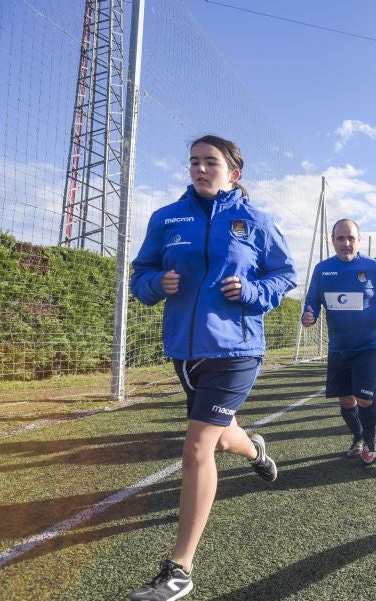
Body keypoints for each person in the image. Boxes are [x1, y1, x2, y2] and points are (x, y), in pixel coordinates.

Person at [128, 135, 298, 601]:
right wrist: (155, 283)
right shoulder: (166, 218)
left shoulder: (256, 220)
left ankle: (179, 569)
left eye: (212, 162)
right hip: (184, 352)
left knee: (197, 450)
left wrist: (251, 292)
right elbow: (138, 275)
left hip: (236, 351)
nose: (201, 169)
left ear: (233, 173)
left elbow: (284, 275)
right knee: (223, 437)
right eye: (195, 162)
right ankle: (257, 450)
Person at [301, 219, 376, 465]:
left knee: (365, 399)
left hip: (370, 344)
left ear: (359, 240)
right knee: (346, 399)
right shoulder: (322, 269)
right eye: (340, 238)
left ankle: (370, 440)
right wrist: (310, 313)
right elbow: (313, 300)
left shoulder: (373, 268)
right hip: (339, 346)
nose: (346, 243)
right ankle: (358, 437)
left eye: (351, 238)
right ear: (333, 240)